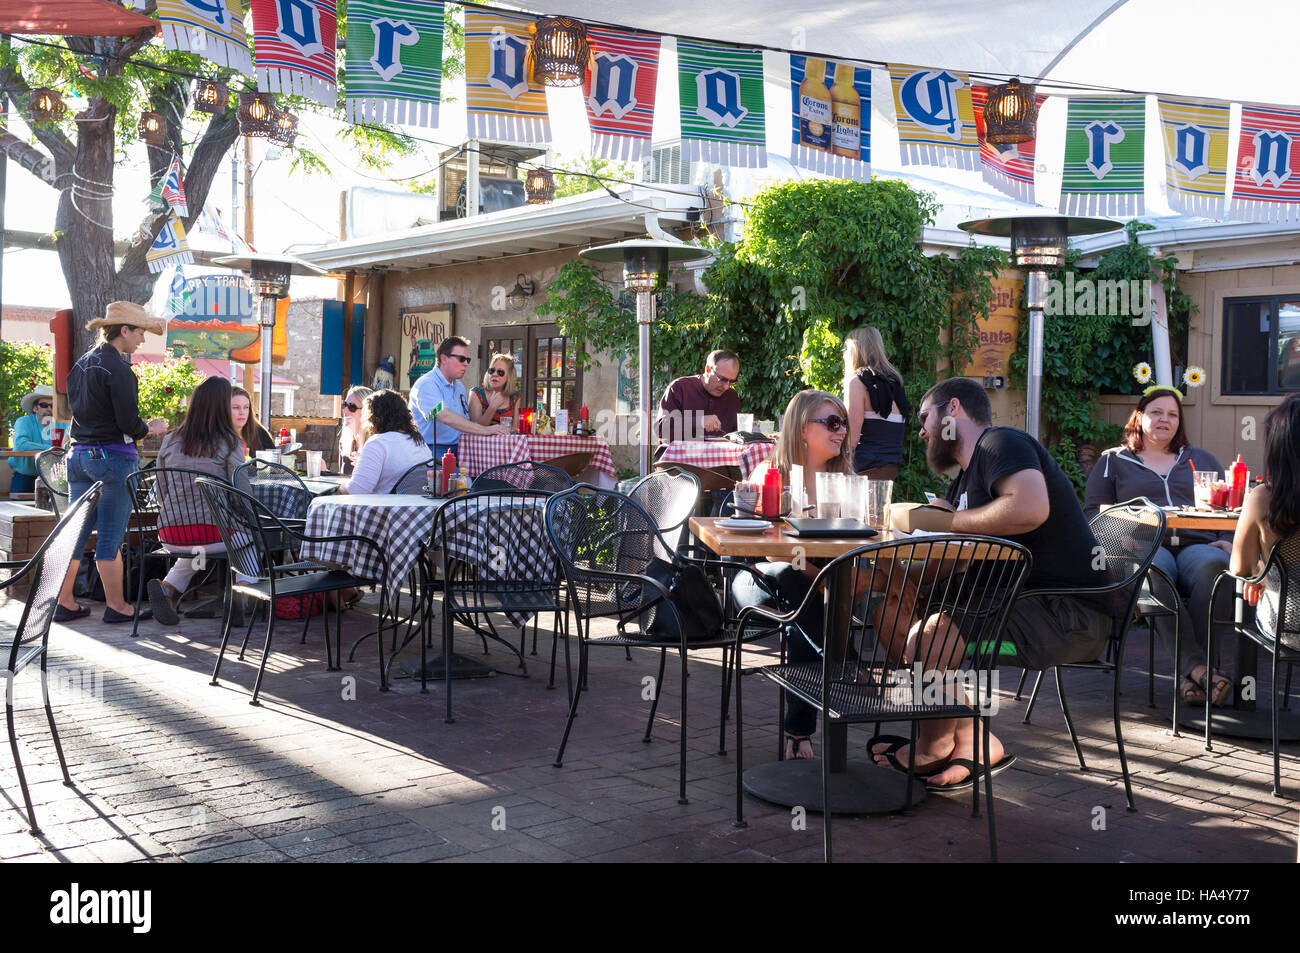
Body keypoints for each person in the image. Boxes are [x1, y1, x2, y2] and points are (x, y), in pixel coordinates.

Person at [870, 377, 1115, 788]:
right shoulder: (964, 481)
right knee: (892, 612)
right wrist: (888, 569)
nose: (922, 431)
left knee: (930, 639)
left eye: (925, 417)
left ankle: (933, 747)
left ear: (952, 409)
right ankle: (972, 736)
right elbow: (952, 561)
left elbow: (1030, 508)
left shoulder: (1000, 443)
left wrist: (946, 523)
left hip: (1066, 614)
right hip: (1013, 603)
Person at [1084, 385, 1234, 705]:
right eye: (1156, 412)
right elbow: (1092, 514)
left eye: (1172, 415)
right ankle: (1200, 671)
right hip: (1144, 544)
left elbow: (1229, 508)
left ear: (1180, 423)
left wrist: (1227, 540)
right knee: (1153, 573)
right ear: (1139, 417)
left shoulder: (1201, 459)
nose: (1164, 420)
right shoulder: (1114, 461)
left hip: (1198, 543)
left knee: (1217, 570)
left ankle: (1193, 674)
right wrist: (1118, 534)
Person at [729, 389, 854, 760]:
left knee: (803, 612)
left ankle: (798, 735)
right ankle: (844, 663)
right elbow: (771, 549)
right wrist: (821, 576)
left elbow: (855, 539)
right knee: (792, 577)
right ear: (802, 428)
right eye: (832, 422)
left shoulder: (844, 480)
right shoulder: (770, 473)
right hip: (758, 578)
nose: (842, 430)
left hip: (809, 588)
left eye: (844, 422)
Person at [57, 302, 169, 624]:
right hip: (111, 460)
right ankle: (117, 606)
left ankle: (64, 602)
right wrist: (151, 428)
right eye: (140, 333)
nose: (142, 340)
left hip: (77, 457)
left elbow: (80, 413)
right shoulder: (120, 370)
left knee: (75, 534)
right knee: (110, 536)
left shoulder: (80, 366)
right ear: (124, 331)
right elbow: (127, 424)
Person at [148, 376, 247, 626]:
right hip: (213, 535)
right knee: (254, 536)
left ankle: (169, 588)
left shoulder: (170, 440)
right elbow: (242, 497)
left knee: (198, 548)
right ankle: (244, 594)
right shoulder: (230, 441)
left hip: (170, 534)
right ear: (222, 407)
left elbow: (160, 496)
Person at [1233, 394, 1300, 649]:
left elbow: (1240, 568)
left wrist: (1263, 573)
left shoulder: (1262, 498)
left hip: (1288, 626)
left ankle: (1245, 686)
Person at [407, 336, 505, 460]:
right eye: (461, 359)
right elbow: (444, 416)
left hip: (461, 448)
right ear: (443, 358)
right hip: (432, 449)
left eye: (467, 359)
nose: (466, 364)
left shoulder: (459, 386)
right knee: (463, 479)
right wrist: (485, 430)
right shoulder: (427, 384)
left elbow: (465, 421)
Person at [843, 327, 909, 479]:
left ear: (854, 350)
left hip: (865, 466)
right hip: (891, 467)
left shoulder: (857, 382)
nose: (844, 353)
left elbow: (851, 439)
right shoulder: (895, 382)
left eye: (846, 348)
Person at [342, 390, 432, 495]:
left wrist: (337, 488)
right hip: (420, 508)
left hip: (388, 508)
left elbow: (356, 491)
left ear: (373, 417)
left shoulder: (377, 443)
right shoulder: (419, 442)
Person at [655, 349, 742, 444]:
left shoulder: (732, 397)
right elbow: (661, 430)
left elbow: (737, 435)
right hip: (678, 457)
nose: (726, 387)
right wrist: (699, 421)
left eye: (732, 381)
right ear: (708, 369)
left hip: (717, 457)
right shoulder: (680, 388)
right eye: (722, 379)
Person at [9, 384, 54, 493]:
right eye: (44, 405)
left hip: (53, 478)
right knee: (20, 509)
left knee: (59, 508)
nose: (49, 408)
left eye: (52, 405)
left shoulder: (61, 423)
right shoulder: (24, 422)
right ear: (35, 408)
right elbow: (21, 445)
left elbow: (67, 446)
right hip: (25, 476)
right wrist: (51, 448)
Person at [468, 353, 519, 427]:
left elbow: (515, 431)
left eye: (500, 372)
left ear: (509, 376)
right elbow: (476, 428)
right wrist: (492, 407)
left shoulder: (514, 397)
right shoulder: (476, 393)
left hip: (506, 438)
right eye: (491, 371)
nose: (494, 374)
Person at [231, 384, 274, 456]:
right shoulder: (215, 436)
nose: (242, 412)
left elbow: (275, 463)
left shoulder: (259, 433)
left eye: (246, 407)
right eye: (236, 407)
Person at [339, 384, 373, 473]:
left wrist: (366, 467)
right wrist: (324, 471)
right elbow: (343, 480)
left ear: (367, 412)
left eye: (351, 407)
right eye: (344, 404)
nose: (345, 411)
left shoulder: (375, 444)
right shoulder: (347, 442)